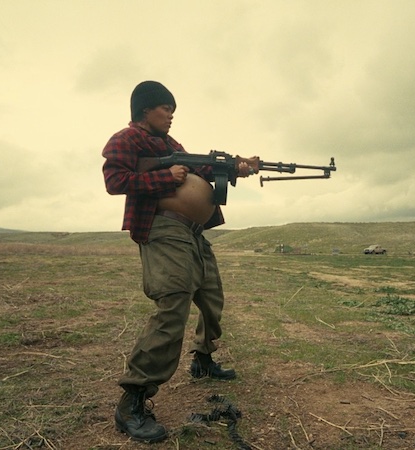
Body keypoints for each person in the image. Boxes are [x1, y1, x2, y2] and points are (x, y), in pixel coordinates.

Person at [101, 81, 258, 443]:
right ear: (145, 110)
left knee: (212, 298)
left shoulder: (172, 146)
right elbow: (114, 180)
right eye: (165, 109)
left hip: (193, 233)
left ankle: (203, 360)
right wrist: (162, 177)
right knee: (173, 306)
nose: (171, 115)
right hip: (164, 229)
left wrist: (236, 167)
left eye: (172, 110)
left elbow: (201, 174)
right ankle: (133, 400)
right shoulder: (127, 139)